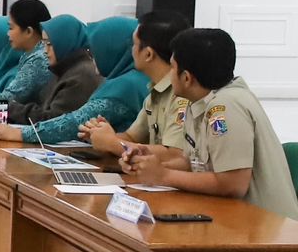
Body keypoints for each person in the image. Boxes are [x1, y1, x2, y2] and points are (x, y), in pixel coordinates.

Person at [120, 28, 298, 219]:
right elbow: (193, 163)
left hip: (266, 227)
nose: (169, 74)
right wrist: (150, 164)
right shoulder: (199, 103)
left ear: (186, 78)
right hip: (232, 218)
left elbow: (233, 183)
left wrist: (164, 175)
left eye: (172, 67)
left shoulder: (226, 107)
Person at [0, 16, 149, 145]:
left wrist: (20, 134)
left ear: (110, 50)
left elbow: (74, 122)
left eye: (96, 49)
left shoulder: (125, 85)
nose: (92, 56)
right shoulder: (127, 80)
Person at [80, 10, 191, 156]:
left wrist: (112, 143)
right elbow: (131, 137)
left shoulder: (182, 94)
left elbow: (174, 154)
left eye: (134, 44)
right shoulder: (155, 90)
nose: (131, 50)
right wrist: (101, 135)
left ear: (148, 54)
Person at [0, 14, 99, 127]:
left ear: (64, 42)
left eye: (49, 44)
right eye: (44, 44)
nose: (45, 50)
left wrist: (12, 109)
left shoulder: (81, 75)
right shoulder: (63, 69)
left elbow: (53, 121)